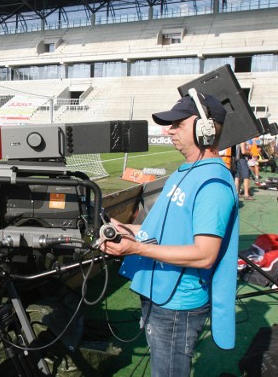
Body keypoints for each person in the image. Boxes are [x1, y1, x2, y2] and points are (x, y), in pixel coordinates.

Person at [101, 93, 239, 377]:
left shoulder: (213, 182)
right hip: (160, 295)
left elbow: (204, 254)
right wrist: (121, 229)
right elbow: (156, 232)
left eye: (177, 124)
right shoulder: (185, 172)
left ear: (206, 129)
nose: (168, 130)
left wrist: (136, 249)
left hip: (177, 307)